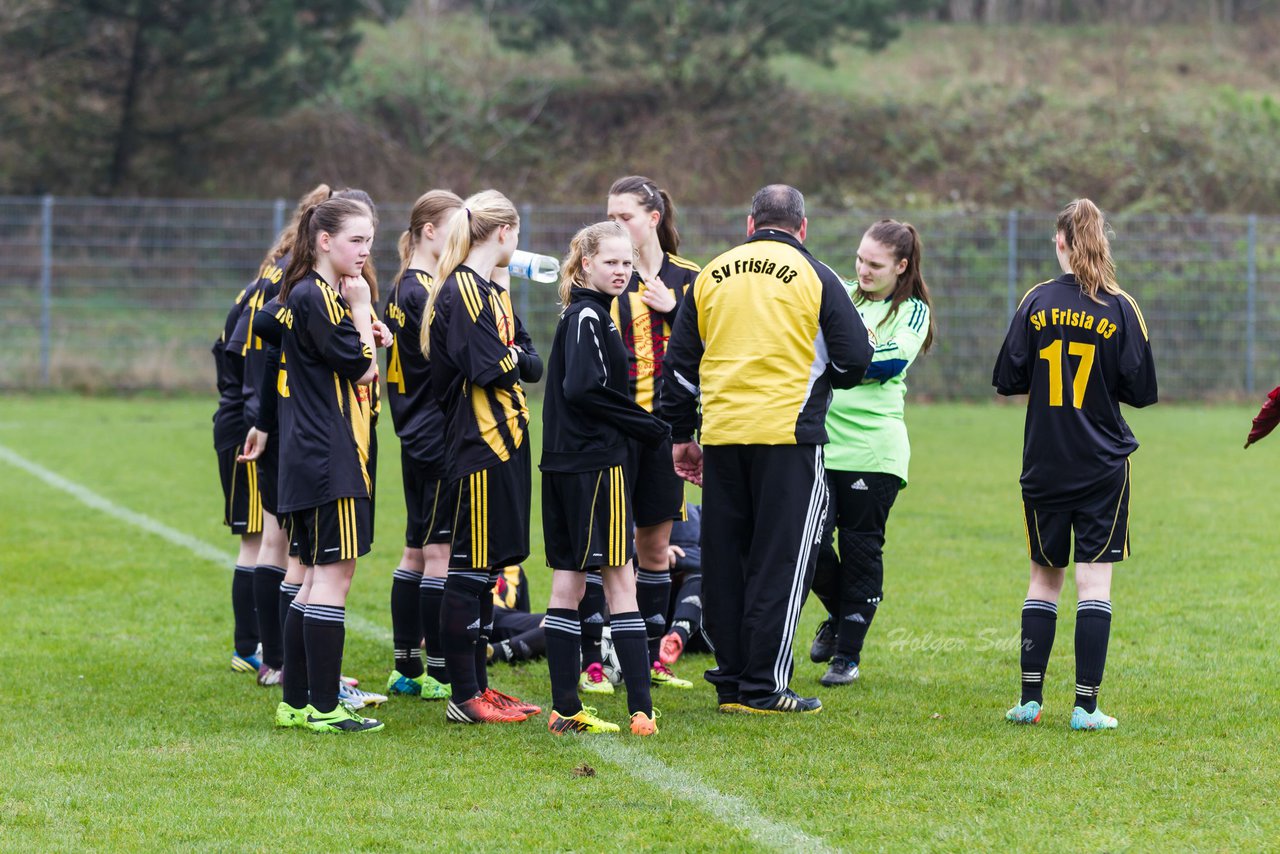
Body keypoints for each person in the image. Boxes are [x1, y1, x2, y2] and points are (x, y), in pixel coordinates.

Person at [660, 184, 873, 715]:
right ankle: (764, 687)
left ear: (750, 226)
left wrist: (682, 436)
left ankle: (731, 680)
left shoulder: (711, 274)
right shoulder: (817, 274)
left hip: (723, 438)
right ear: (802, 229)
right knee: (781, 562)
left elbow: (680, 368)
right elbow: (856, 359)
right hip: (788, 439)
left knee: (728, 561)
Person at [993, 198, 1157, 731]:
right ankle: (1086, 707)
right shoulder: (1121, 307)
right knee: (1094, 584)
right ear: (1099, 241)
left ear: (1060, 242)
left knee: (1044, 579)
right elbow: (1141, 389)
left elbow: (1008, 377)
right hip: (1102, 464)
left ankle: (1030, 701)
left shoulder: (1036, 301)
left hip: (1044, 462)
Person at [540, 221, 670, 736]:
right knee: (620, 579)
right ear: (585, 263)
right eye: (611, 262)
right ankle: (642, 712)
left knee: (569, 580)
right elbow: (583, 388)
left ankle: (565, 709)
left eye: (627, 263)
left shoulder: (589, 312)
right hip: (594, 466)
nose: (621, 271)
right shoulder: (589, 315)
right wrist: (647, 426)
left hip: (565, 464)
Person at [421, 189, 543, 725]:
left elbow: (530, 360)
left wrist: (512, 354)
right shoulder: (465, 290)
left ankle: (482, 689)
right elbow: (489, 367)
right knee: (468, 571)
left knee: (488, 569)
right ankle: (463, 695)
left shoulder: (492, 289)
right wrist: (512, 355)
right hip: (478, 446)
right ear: (503, 233)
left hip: (507, 442)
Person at [271, 196, 386, 733]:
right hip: (328, 454)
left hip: (309, 453)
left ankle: (297, 701)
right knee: (333, 576)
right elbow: (363, 372)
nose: (365, 250)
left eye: (369, 240)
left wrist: (361, 324)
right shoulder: (319, 295)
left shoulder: (310, 294)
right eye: (356, 240)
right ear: (324, 241)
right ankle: (323, 705)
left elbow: (340, 357)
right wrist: (362, 312)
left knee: (316, 576)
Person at [809, 219, 936, 686]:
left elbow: (888, 363)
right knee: (812, 547)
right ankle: (844, 617)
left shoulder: (913, 312)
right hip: (821, 447)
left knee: (861, 551)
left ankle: (848, 655)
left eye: (875, 264)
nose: (863, 270)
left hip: (873, 452)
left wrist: (836, 360)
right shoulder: (838, 292)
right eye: (860, 259)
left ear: (901, 267)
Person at [599, 175, 701, 692]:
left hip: (666, 434)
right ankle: (597, 664)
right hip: (613, 433)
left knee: (655, 549)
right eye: (610, 216)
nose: (615, 225)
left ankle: (649, 661)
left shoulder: (691, 277)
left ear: (654, 218)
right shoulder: (600, 276)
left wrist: (676, 310)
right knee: (606, 547)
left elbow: (715, 346)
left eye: (625, 216)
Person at [231, 182, 331, 687]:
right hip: (280, 422)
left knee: (278, 544)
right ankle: (274, 659)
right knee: (280, 545)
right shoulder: (298, 285)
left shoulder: (276, 275)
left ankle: (270, 657)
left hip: (269, 417)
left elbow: (229, 344)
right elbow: (267, 352)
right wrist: (260, 420)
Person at [381, 189, 463, 701]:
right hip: (434, 432)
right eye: (455, 228)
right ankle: (434, 668)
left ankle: (407, 665)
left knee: (416, 551)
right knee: (439, 552)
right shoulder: (421, 291)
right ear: (429, 231)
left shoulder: (407, 286)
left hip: (416, 431)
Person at [211, 283, 262, 674]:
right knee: (258, 541)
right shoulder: (278, 283)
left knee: (266, 541)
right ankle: (249, 647)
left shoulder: (259, 284)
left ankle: (258, 646)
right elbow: (242, 356)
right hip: (246, 428)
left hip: (244, 423)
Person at [658, 503, 711, 665]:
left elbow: (720, 560)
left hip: (699, 628)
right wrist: (655, 555)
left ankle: (677, 636)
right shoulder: (631, 510)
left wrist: (680, 560)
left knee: (703, 576)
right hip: (646, 615)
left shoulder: (702, 514)